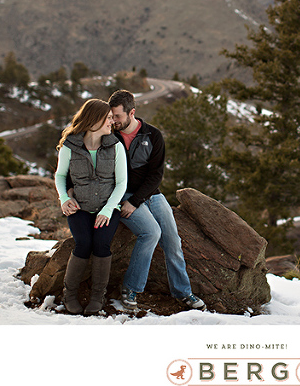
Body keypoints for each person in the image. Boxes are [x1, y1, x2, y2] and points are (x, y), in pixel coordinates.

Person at [108, 89, 205, 311]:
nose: (113, 121)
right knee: (150, 233)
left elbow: (156, 175)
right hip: (123, 195)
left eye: (118, 116)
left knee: (173, 241)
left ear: (132, 113)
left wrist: (137, 201)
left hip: (151, 195)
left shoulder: (153, 136)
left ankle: (183, 292)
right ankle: (131, 288)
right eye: (111, 116)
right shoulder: (109, 137)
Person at [54, 98, 128, 315]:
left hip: (108, 208)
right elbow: (60, 175)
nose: (112, 122)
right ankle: (69, 295)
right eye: (107, 118)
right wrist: (64, 199)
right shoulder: (70, 146)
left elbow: (122, 182)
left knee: (102, 245)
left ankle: (97, 297)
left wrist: (107, 209)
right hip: (80, 207)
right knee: (83, 244)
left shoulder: (115, 146)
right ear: (94, 120)